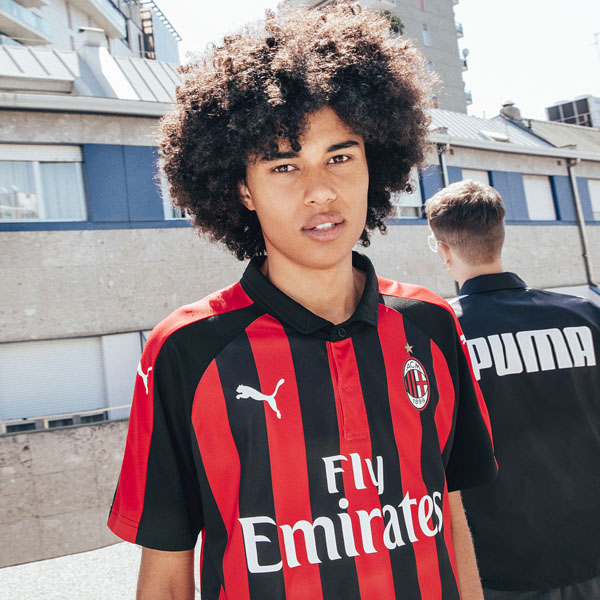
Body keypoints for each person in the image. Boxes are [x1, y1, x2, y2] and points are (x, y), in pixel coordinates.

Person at [108, 5, 497, 599]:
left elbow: (449, 518)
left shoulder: (432, 326)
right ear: (243, 189)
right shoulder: (186, 351)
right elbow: (165, 576)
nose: (320, 191)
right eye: (285, 165)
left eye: (340, 157)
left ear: (374, 164)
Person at [425, 180, 600, 599]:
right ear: (500, 236)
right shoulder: (586, 316)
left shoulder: (438, 336)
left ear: (444, 250)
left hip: (501, 570)